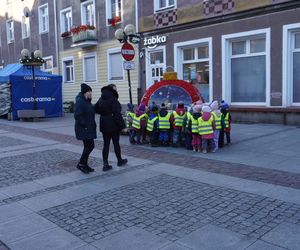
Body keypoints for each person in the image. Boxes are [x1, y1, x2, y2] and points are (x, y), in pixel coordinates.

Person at [95, 84, 127, 171]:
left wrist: (104, 114)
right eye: (115, 89)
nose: (116, 91)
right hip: (113, 125)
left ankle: (105, 164)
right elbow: (117, 115)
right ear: (112, 90)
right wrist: (123, 126)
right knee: (116, 143)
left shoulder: (101, 98)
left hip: (104, 124)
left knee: (106, 144)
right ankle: (119, 161)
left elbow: (96, 108)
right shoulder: (113, 100)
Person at [74, 83, 97, 174]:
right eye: (89, 92)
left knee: (88, 146)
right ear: (84, 93)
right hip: (84, 128)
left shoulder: (87, 101)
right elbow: (77, 115)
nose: (91, 93)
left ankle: (84, 164)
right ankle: (81, 164)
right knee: (89, 146)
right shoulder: (80, 101)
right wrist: (85, 125)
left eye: (91, 91)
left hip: (88, 128)